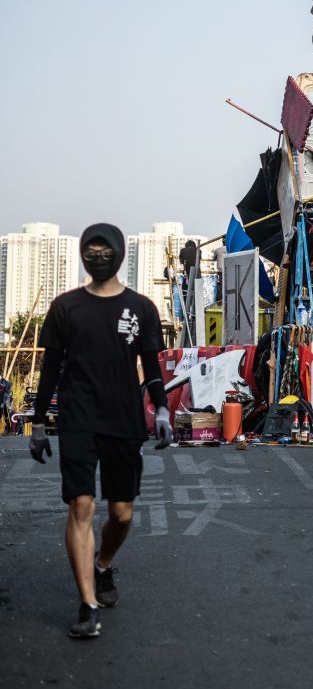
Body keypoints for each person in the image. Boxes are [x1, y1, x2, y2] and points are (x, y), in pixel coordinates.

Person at [29, 223, 174, 639]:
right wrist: (39, 423)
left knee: (121, 513)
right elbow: (49, 370)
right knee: (80, 507)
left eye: (103, 249)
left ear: (118, 253)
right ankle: (87, 603)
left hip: (123, 419)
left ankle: (103, 563)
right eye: (89, 250)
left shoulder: (142, 308)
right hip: (77, 416)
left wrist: (162, 409)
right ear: (81, 255)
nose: (96, 256)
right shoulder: (65, 307)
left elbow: (151, 367)